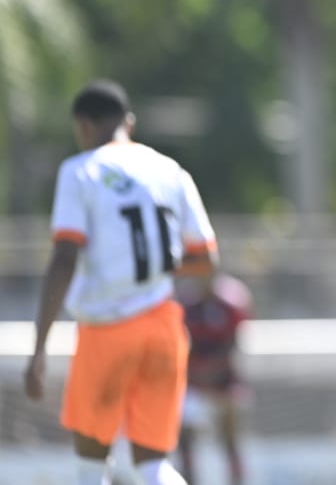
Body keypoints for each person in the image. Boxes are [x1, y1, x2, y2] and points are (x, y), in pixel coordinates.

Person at [25, 79, 218, 485]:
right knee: (153, 466)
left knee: (91, 467)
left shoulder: (81, 170)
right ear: (129, 123)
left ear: (83, 125)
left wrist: (39, 345)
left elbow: (64, 257)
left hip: (107, 329)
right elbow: (205, 259)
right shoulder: (170, 170)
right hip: (163, 326)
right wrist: (147, 267)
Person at [176, 271, 253, 485]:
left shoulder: (231, 300)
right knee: (186, 437)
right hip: (193, 381)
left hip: (223, 380)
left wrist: (213, 371)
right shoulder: (186, 302)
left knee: (230, 437)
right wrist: (196, 373)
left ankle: (236, 480)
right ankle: (189, 480)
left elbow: (233, 344)